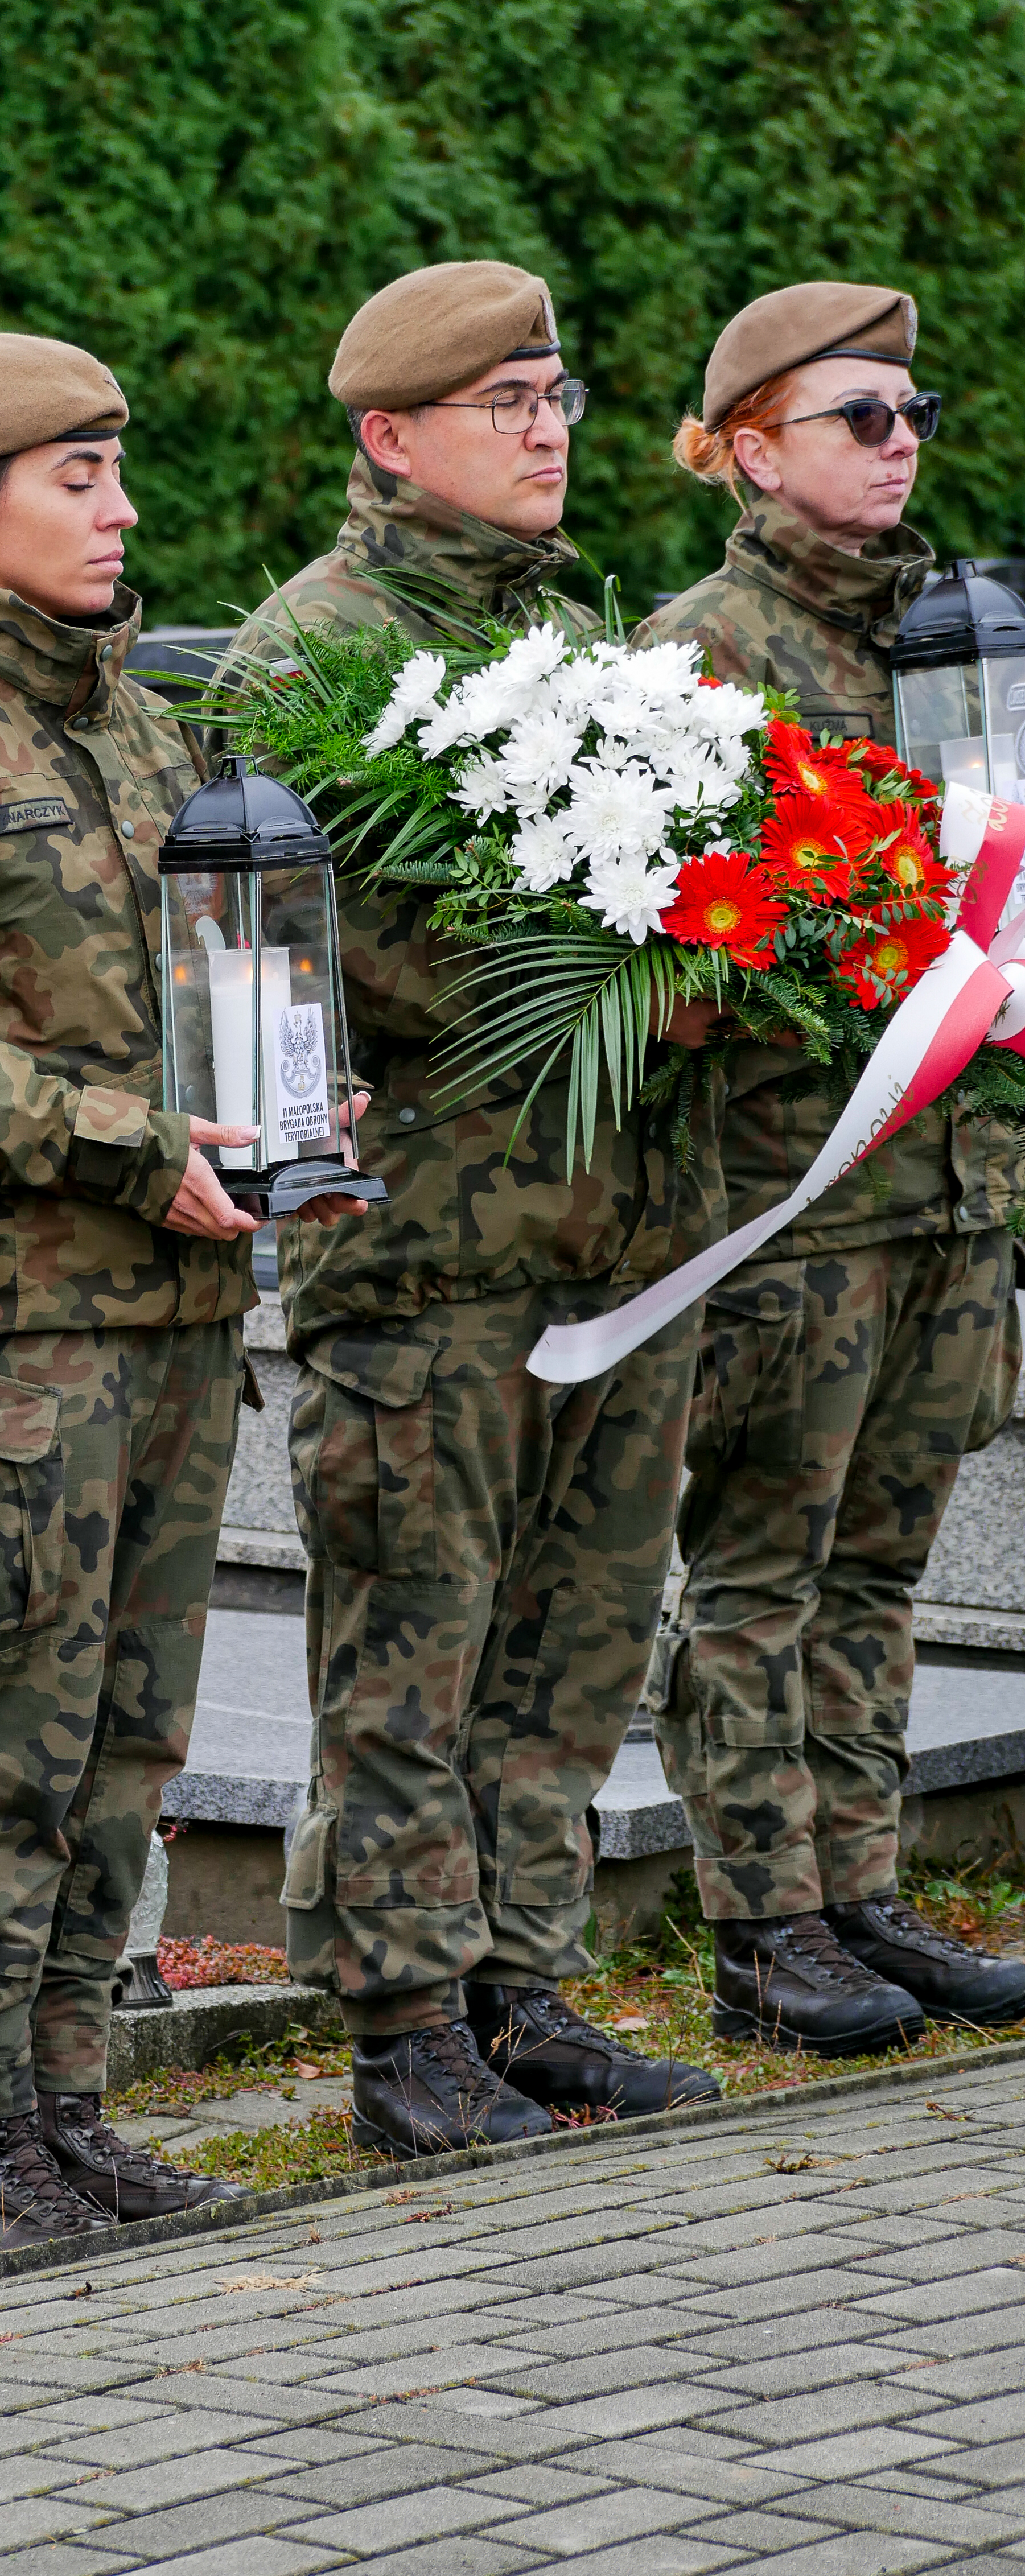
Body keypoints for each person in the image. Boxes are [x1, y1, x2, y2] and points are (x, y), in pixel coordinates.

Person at [0, 332, 365, 2261]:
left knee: (126, 1739)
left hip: (181, 1321)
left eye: (121, 471)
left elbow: (211, 977)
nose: (123, 510)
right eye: (81, 475)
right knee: (11, 1744)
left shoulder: (134, 719)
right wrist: (131, 1138)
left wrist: (286, 1103)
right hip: (21, 1337)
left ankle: (66, 2109)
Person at [224, 262, 723, 2156]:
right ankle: (403, 2028)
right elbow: (317, 960)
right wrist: (636, 955)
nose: (547, 430)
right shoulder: (309, 655)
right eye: (504, 402)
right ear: (391, 437)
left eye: (558, 394)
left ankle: (522, 1983)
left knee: (577, 1642)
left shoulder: (586, 633)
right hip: (426, 1252)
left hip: (609, 1240)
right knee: (409, 1663)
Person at [635, 282, 1025, 2050]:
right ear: (743, 446)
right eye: (856, 418)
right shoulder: (692, 658)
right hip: (796, 1196)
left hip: (960, 1185)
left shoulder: (969, 635)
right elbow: (649, 956)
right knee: (759, 1576)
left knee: (887, 1569)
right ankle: (762, 1922)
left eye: (912, 414)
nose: (898, 447)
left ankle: (862, 1892)